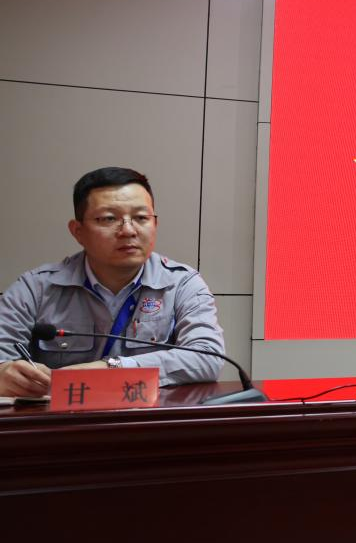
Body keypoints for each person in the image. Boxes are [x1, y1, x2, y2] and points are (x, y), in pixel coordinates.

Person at [0, 167, 226, 396]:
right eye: (109, 218)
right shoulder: (36, 288)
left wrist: (114, 367)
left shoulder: (182, 284)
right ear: (78, 231)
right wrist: (4, 373)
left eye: (141, 218)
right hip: (62, 416)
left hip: (150, 416)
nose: (128, 231)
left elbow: (208, 356)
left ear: (155, 225)